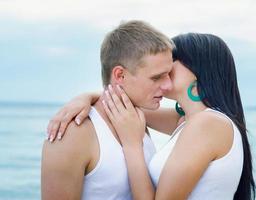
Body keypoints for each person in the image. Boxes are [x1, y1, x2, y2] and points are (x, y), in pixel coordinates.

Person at [48, 33, 256, 199]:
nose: (165, 67)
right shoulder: (188, 120)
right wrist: (85, 98)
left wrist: (132, 145)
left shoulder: (207, 124)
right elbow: (122, 105)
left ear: (197, 70)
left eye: (173, 60)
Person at [41, 20, 175, 200]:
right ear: (120, 75)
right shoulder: (72, 133)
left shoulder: (135, 117)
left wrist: (90, 96)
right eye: (157, 77)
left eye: (168, 74)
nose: (168, 85)